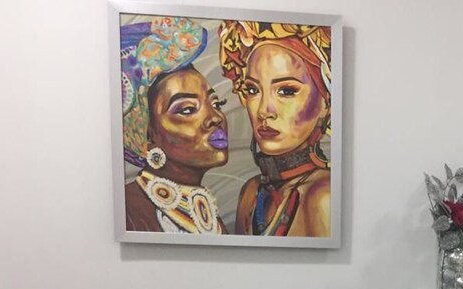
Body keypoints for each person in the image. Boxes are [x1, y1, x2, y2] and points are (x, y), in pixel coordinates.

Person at [219, 22, 332, 237]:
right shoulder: (251, 193)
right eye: (252, 89)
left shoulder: (323, 197)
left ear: (326, 102)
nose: (264, 111)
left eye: (286, 91)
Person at [121, 17, 229, 233]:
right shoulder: (129, 210)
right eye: (187, 109)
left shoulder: (209, 217)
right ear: (147, 136)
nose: (215, 117)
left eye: (216, 103)